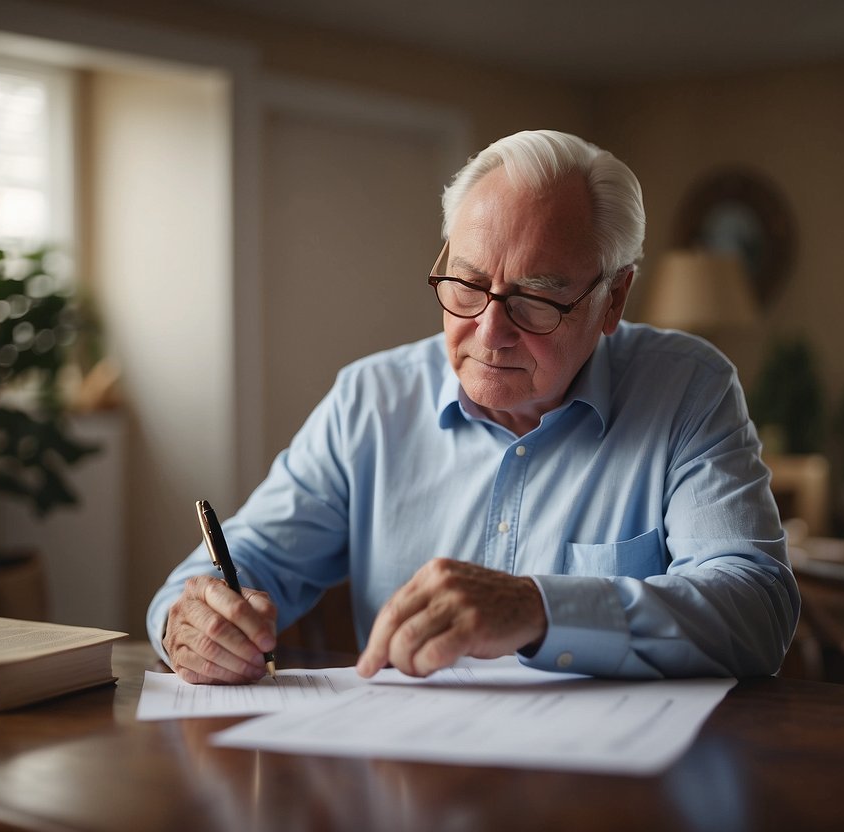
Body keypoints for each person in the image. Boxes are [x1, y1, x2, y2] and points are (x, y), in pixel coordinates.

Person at [147, 129, 800, 684]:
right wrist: (191, 618)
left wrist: (541, 608)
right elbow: (249, 555)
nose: (488, 332)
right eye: (465, 283)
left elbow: (755, 609)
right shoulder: (371, 401)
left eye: (537, 299)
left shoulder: (686, 389)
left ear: (613, 299)